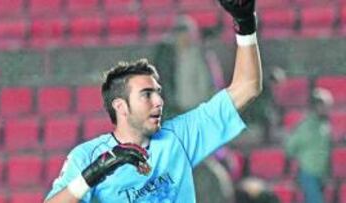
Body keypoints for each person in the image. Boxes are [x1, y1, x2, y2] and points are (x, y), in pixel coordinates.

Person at [44, 0, 262, 201]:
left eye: (158, 92)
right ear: (121, 106)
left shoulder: (181, 137)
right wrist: (91, 176)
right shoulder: (86, 157)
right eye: (146, 94)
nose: (158, 100)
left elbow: (248, 86)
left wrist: (245, 25)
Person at [284, 87, 333, 203]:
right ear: (315, 106)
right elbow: (290, 148)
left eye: (325, 105)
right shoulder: (305, 126)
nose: (324, 108)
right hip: (308, 173)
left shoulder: (325, 125)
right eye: (320, 104)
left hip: (322, 174)